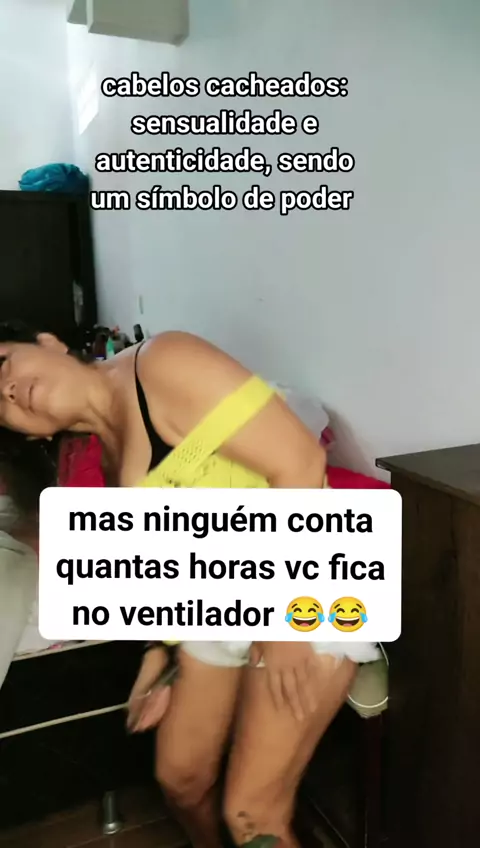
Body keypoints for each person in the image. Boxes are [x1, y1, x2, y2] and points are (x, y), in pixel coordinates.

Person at [0, 321, 380, 848]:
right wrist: (159, 652)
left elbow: (300, 463)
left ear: (48, 342)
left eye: (3, 364)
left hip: (304, 584)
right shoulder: (104, 459)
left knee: (252, 816)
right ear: (32, 435)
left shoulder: (162, 362)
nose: (8, 389)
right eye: (0, 405)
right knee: (180, 781)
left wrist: (286, 625)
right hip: (219, 606)